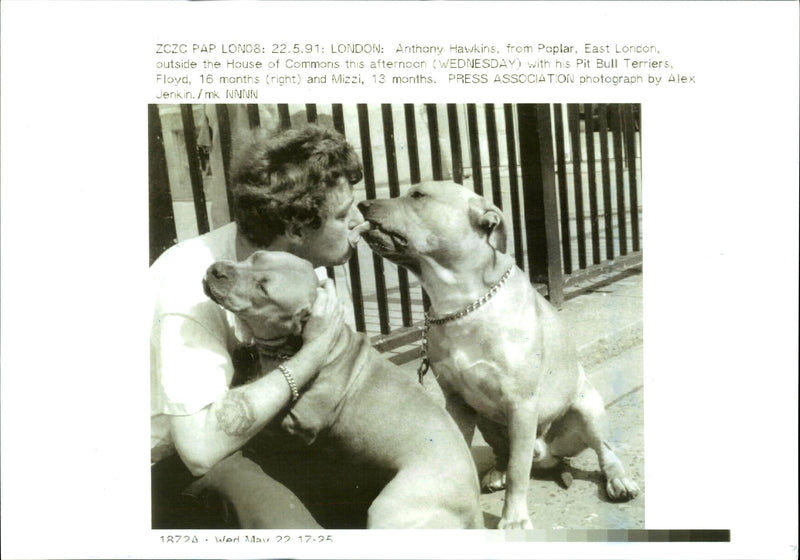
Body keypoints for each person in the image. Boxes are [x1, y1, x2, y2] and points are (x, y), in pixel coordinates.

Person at [150, 124, 368, 528]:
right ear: (296, 229)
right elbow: (199, 450)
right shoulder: (191, 286)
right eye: (342, 215)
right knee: (284, 520)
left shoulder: (300, 269)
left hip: (251, 435)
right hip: (168, 463)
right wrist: (314, 352)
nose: (359, 221)